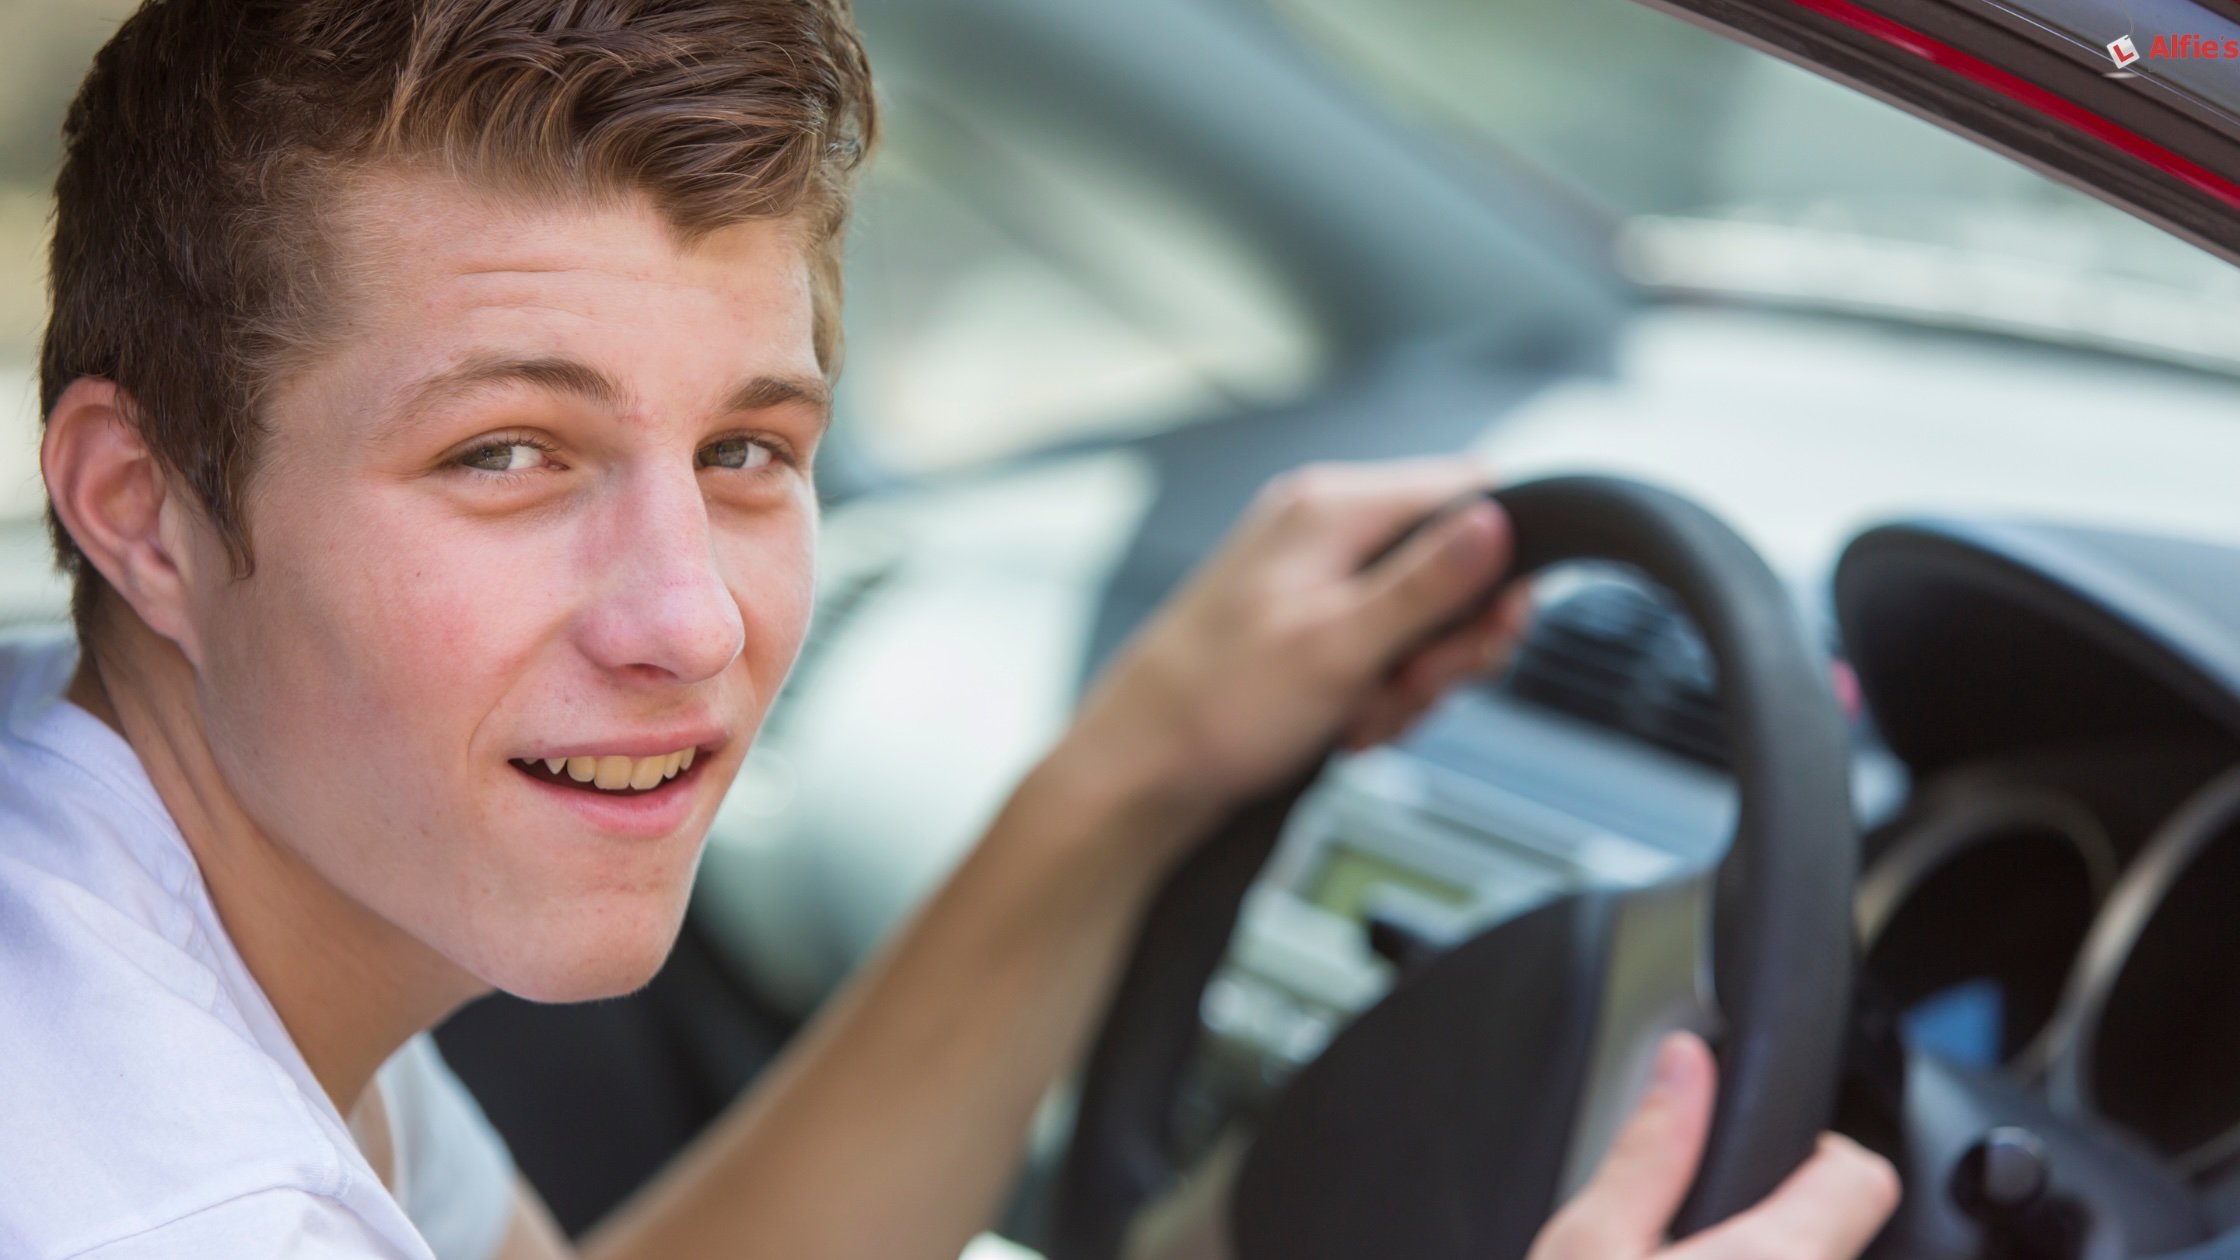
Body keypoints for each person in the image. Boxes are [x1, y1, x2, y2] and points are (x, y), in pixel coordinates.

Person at [0, 0, 1900, 1257]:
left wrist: (1130, 779)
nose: (690, 619)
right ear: (140, 510)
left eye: (748, 448)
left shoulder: (171, 895)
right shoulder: (175, 1198)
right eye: (506, 453)